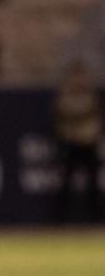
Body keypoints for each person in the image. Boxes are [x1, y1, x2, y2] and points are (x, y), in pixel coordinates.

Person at [52, 61, 101, 223]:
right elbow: (66, 110)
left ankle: (96, 217)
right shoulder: (66, 95)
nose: (80, 80)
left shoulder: (91, 95)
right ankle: (60, 219)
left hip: (88, 143)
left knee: (93, 183)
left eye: (82, 76)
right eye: (76, 76)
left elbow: (89, 110)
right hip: (72, 143)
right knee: (66, 183)